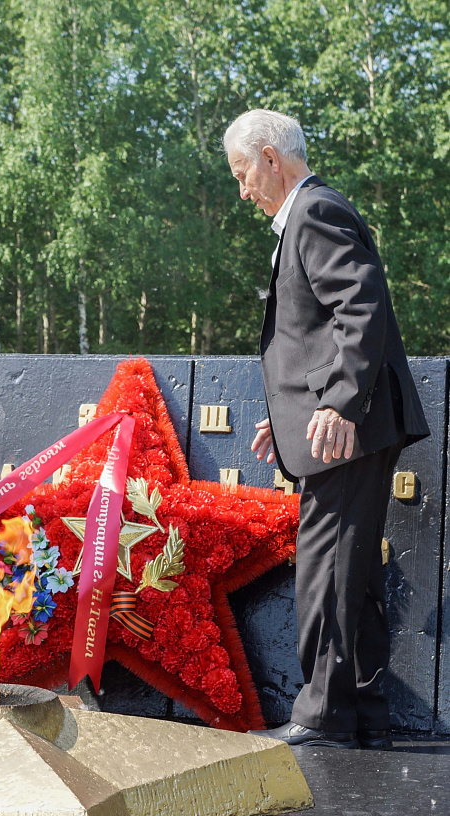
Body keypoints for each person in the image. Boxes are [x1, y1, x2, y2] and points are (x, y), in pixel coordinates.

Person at [223, 110, 429, 751]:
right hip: (350, 423)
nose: (243, 191)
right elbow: (321, 333)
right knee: (354, 568)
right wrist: (290, 411)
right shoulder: (312, 214)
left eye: (242, 174)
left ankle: (322, 713)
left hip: (353, 426)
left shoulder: (313, 212)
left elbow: (360, 308)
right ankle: (362, 708)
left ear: (269, 158)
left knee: (326, 566)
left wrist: (338, 404)